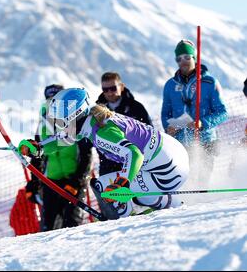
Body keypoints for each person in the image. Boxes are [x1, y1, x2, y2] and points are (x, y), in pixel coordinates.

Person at [19, 88, 189, 220]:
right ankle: (169, 207)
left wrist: (123, 182)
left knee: (111, 191)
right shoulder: (90, 121)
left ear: (73, 115)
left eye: (61, 119)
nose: (58, 124)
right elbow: (62, 140)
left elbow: (134, 154)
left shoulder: (101, 131)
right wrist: (38, 148)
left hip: (168, 169)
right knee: (106, 187)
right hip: (172, 157)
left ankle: (137, 223)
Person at [24, 84, 93, 231]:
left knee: (73, 225)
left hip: (73, 180)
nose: (51, 103)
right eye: (49, 99)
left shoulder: (74, 122)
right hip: (51, 183)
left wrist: (77, 182)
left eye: (55, 99)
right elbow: (37, 156)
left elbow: (86, 155)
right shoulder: (43, 125)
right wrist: (34, 184)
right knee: (48, 229)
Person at [161, 39, 228, 184]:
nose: (183, 61)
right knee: (186, 183)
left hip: (206, 141)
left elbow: (223, 112)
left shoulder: (210, 83)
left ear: (194, 57)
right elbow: (165, 113)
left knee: (203, 183)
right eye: (179, 58)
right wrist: (168, 127)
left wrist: (202, 123)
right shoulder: (170, 85)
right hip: (181, 143)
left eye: (186, 57)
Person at [96, 72, 153, 176]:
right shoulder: (97, 112)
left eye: (113, 88)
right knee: (107, 192)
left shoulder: (136, 108)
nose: (109, 93)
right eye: (105, 89)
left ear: (121, 87)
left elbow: (150, 133)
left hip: (135, 163)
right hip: (108, 165)